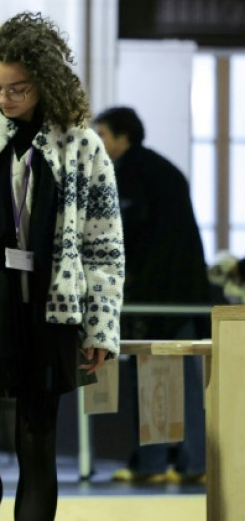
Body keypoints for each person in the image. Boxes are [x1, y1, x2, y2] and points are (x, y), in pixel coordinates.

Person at [0, 12, 125, 520]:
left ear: (47, 82)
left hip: (49, 311)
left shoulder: (82, 145)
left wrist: (100, 327)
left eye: (19, 88)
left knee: (37, 453)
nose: (5, 99)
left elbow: (104, 245)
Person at [94, 106, 209, 484]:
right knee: (175, 376)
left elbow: (132, 232)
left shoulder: (133, 172)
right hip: (184, 291)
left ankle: (162, 463)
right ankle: (182, 463)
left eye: (104, 135)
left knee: (158, 373)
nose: (99, 142)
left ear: (122, 137)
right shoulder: (161, 169)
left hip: (162, 293)